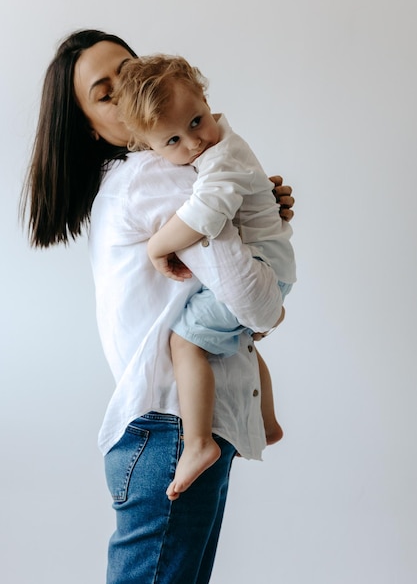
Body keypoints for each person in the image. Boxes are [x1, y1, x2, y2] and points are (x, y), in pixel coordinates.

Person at [20, 29, 295, 584]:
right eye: (106, 93)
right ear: (90, 129)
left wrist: (261, 207)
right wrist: (269, 296)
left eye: (130, 71)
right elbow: (250, 298)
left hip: (164, 433)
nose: (129, 92)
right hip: (171, 432)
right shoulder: (152, 177)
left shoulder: (152, 178)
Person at [113, 54, 296, 501]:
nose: (193, 142)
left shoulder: (223, 155)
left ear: (205, 98)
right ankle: (267, 422)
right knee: (236, 340)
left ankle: (197, 444)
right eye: (172, 140)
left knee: (184, 341)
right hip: (272, 264)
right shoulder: (211, 154)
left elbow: (206, 215)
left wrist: (159, 244)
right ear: (149, 148)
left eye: (196, 121)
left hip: (261, 268)